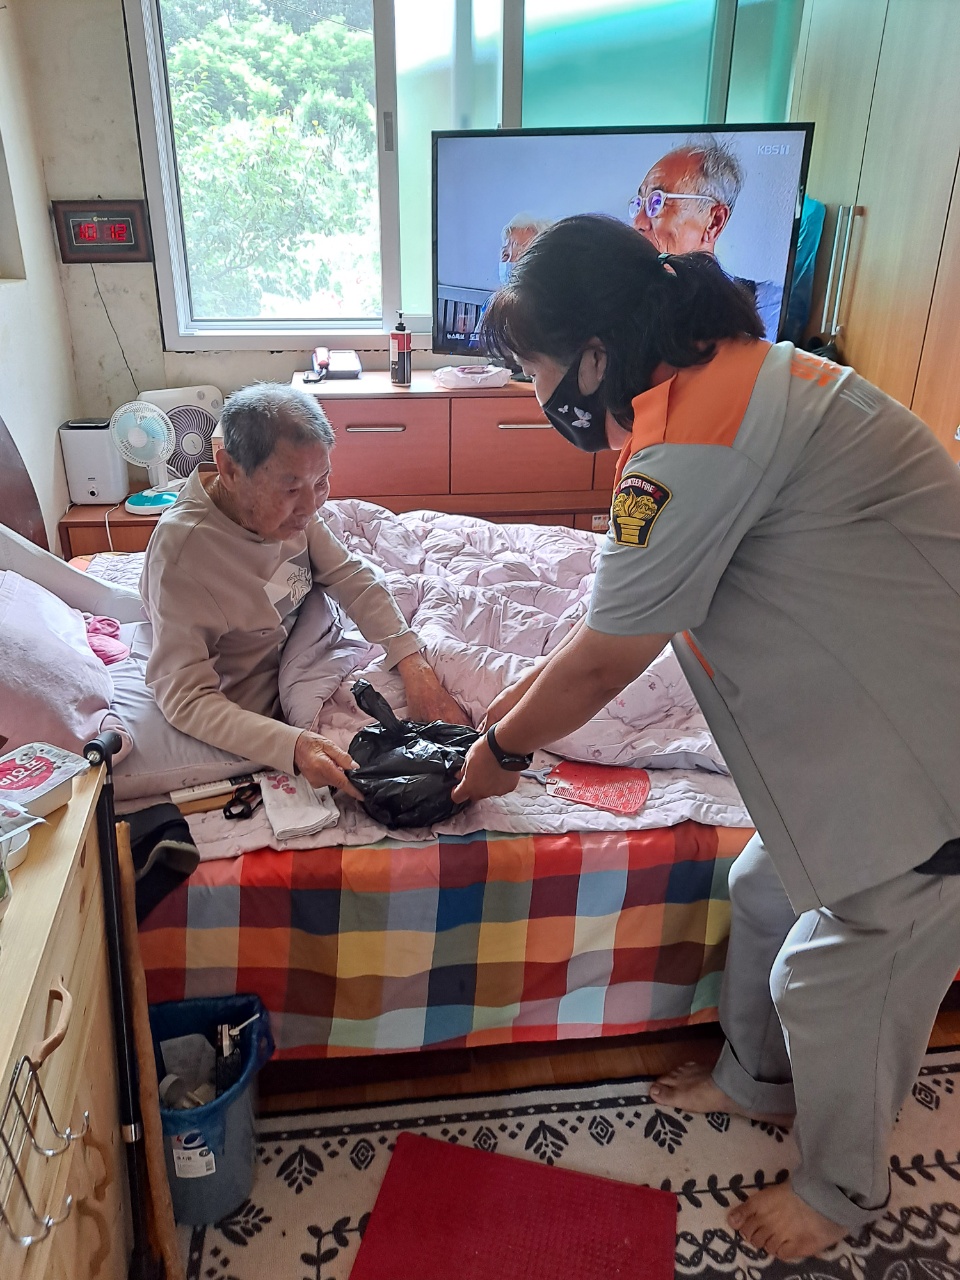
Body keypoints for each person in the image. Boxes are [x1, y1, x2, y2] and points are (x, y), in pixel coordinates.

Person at [455, 213, 960, 1262]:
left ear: (596, 355)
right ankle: (756, 1082)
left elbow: (608, 655)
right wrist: (507, 714)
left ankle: (840, 1192)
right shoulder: (709, 389)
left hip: (933, 753)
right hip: (875, 718)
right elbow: (618, 609)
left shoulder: (694, 441)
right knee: (765, 890)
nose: (538, 394)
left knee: (837, 977)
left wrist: (498, 754)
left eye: (537, 369)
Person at [141, 383, 467, 798]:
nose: (311, 507)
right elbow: (185, 698)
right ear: (230, 470)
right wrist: (292, 746)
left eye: (322, 481)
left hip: (309, 646)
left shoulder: (295, 513)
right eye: (291, 489)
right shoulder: (183, 558)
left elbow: (350, 576)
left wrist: (413, 664)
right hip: (265, 695)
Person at [630, 134, 783, 340]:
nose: (638, 222)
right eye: (640, 203)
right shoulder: (620, 299)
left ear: (714, 222)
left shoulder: (767, 305)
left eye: (658, 202)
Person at [469, 214, 552, 348]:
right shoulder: (492, 303)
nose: (510, 262)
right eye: (505, 255)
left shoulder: (552, 310)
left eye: (522, 255)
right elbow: (475, 349)